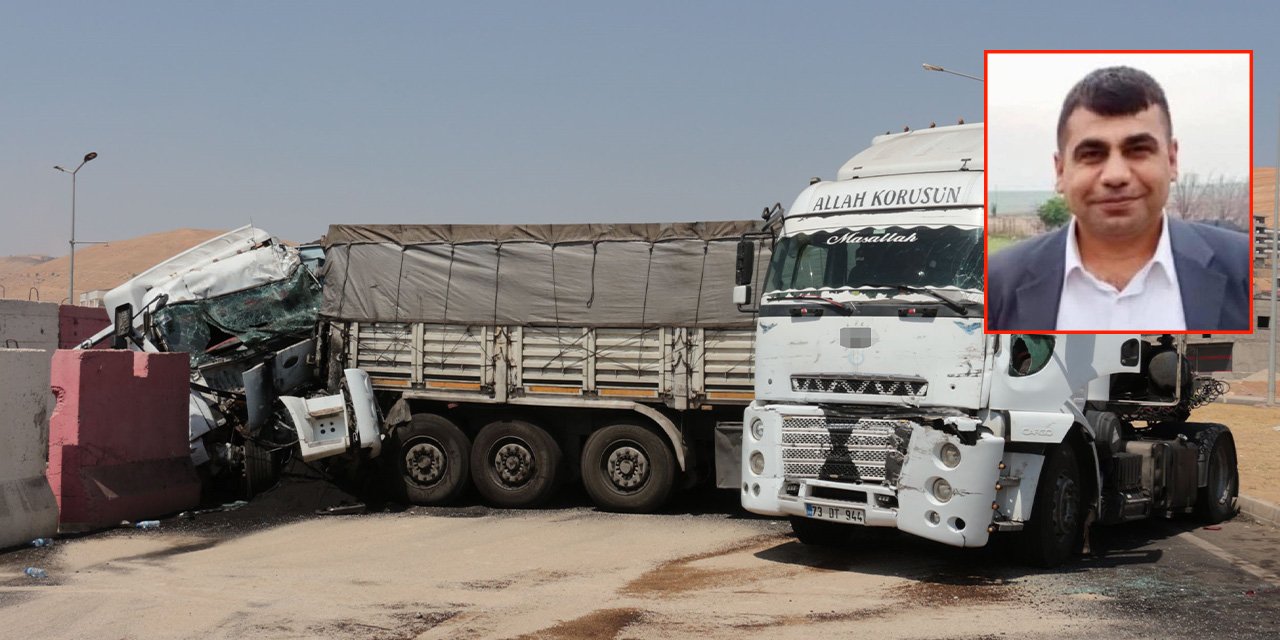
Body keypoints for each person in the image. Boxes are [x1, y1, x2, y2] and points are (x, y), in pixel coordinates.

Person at [987, 65, 1251, 331]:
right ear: (1060, 170)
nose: (1115, 175)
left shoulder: (1247, 270)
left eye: (1137, 150)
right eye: (1092, 154)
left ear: (1171, 159)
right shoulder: (997, 283)